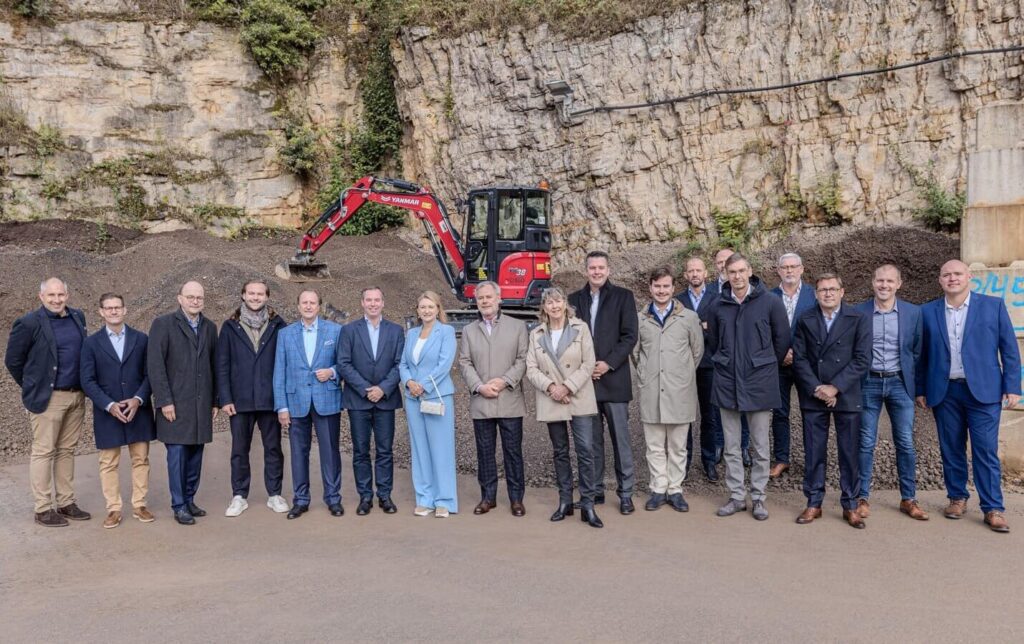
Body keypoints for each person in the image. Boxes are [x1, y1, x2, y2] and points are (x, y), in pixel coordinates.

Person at [916, 259, 1021, 533]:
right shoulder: (927, 312)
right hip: (945, 390)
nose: (952, 278)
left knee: (985, 450)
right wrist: (920, 389)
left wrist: (1013, 386)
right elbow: (920, 356)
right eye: (947, 274)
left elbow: (1009, 349)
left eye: (958, 274)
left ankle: (993, 507)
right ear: (940, 280)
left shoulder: (992, 305)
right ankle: (957, 498)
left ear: (969, 277)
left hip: (984, 391)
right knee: (950, 448)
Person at [707, 254, 789, 521]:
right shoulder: (718, 304)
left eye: (742, 271)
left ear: (750, 271)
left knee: (760, 446)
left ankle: (758, 498)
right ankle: (736, 496)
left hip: (760, 383)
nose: (737, 276)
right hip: (727, 383)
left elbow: (782, 340)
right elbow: (714, 342)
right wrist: (726, 362)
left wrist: (763, 365)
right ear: (725, 274)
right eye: (732, 272)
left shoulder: (770, 302)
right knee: (731, 446)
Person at [5, 278, 91, 527]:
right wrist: (35, 386)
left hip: (76, 396)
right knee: (44, 451)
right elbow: (13, 361)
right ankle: (43, 508)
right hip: (49, 398)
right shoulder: (29, 323)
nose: (56, 299)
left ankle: (66, 502)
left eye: (60, 294)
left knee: (66, 450)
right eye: (51, 295)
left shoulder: (78, 317)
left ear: (68, 294)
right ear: (41, 296)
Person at [792, 273, 872, 528]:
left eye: (832, 289)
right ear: (815, 293)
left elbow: (862, 359)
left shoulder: (858, 319)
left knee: (849, 453)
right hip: (814, 393)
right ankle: (814, 502)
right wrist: (817, 387)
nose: (827, 293)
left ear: (842, 291)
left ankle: (850, 504)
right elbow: (800, 358)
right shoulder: (805, 319)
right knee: (814, 452)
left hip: (846, 394)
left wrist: (835, 387)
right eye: (823, 289)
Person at [854, 265, 928, 521]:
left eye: (889, 281)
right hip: (868, 383)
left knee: (905, 442)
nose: (884, 285)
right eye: (879, 281)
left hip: (900, 383)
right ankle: (861, 497)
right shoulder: (858, 312)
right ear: (872, 283)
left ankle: (908, 498)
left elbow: (918, 353)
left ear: (899, 284)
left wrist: (918, 388)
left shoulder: (913, 313)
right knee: (865, 442)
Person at [568, 250, 639, 515]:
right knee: (590, 442)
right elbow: (569, 337)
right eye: (592, 268)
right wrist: (586, 368)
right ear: (585, 270)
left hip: (615, 379)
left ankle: (626, 494)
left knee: (621, 441)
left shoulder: (624, 297)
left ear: (608, 270)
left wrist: (607, 363)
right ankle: (595, 490)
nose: (596, 272)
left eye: (601, 267)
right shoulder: (574, 299)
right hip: (585, 383)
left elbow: (630, 336)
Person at [525, 287, 603, 528]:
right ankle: (565, 501)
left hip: (577, 396)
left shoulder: (580, 328)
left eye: (558, 301)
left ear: (564, 303)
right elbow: (531, 368)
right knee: (560, 451)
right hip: (552, 399)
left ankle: (587, 504)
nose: (554, 306)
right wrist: (551, 388)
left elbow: (589, 362)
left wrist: (567, 387)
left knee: (585, 451)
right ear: (544, 307)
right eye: (550, 303)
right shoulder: (536, 334)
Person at [79, 293, 156, 529]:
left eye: (117, 307)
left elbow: (150, 374)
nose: (113, 311)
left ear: (124, 310)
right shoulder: (91, 343)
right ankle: (113, 508)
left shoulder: (141, 339)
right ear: (101, 312)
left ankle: (139, 504)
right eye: (108, 308)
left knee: (141, 459)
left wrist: (138, 398)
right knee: (108, 462)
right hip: (107, 412)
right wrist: (109, 405)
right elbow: (87, 380)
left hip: (138, 410)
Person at [148, 280, 219, 526]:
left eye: (199, 297)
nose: (195, 301)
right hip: (175, 405)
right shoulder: (163, 325)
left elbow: (214, 366)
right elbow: (155, 366)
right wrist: (164, 401)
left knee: (196, 455)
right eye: (190, 297)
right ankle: (178, 505)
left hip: (200, 405)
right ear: (179, 298)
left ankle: (189, 499)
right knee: (177, 456)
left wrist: (215, 401)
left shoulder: (210, 327)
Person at [216, 279, 288, 518]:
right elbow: (222, 365)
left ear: (267, 297)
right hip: (240, 400)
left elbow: (286, 363)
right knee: (239, 450)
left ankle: (275, 494)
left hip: (270, 400)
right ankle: (239, 495)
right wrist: (225, 398)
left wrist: (284, 399)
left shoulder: (279, 326)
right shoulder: (229, 327)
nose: (256, 297)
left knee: (274, 449)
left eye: (260, 294)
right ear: (243, 296)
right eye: (251, 293)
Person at [634, 267, 703, 512]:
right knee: (653, 446)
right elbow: (636, 353)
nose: (661, 291)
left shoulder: (689, 318)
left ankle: (675, 489)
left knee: (677, 446)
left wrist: (680, 375)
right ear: (650, 288)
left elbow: (697, 353)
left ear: (673, 288)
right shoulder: (640, 319)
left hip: (680, 392)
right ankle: (658, 488)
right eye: (657, 286)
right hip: (651, 390)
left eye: (666, 286)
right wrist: (646, 374)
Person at [458, 281, 529, 517]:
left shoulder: (517, 327)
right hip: (482, 401)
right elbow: (465, 362)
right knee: (485, 452)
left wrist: (504, 381)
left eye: (489, 297)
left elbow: (522, 359)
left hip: (509, 399)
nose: (485, 302)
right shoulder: (469, 331)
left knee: (513, 452)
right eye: (481, 299)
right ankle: (488, 497)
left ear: (499, 299)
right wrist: (479, 386)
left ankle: (516, 499)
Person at [273, 289, 344, 520]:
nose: (308, 306)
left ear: (319, 306)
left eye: (313, 302)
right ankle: (301, 499)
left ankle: (333, 498)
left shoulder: (335, 331)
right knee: (298, 453)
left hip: (327, 399)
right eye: (304, 302)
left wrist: (332, 371)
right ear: (298, 306)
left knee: (330, 452)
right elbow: (279, 372)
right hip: (296, 402)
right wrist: (281, 406)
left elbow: (345, 363)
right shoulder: (286, 334)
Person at [337, 287, 404, 516]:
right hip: (359, 400)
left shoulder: (395, 331)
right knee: (361, 451)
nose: (373, 304)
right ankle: (365, 496)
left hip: (385, 400)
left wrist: (383, 388)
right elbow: (344, 364)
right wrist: (367, 390)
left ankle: (384, 495)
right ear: (362, 303)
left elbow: (399, 364)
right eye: (369, 300)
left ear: (383, 303)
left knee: (385, 450)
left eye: (377, 300)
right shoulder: (349, 331)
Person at [400, 291, 458, 517]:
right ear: (417, 310)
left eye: (430, 306)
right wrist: (409, 383)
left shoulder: (446, 332)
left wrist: (423, 385)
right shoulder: (412, 333)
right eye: (422, 307)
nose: (426, 311)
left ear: (438, 308)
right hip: (414, 399)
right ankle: (425, 498)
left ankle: (445, 500)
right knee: (420, 449)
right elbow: (403, 363)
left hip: (436, 396)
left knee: (441, 450)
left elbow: (444, 365)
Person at [768, 252, 817, 478]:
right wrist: (781, 354)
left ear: (802, 269)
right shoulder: (769, 297)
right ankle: (781, 459)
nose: (789, 271)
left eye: (793, 267)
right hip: (778, 365)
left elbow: (819, 329)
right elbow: (764, 331)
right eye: (784, 267)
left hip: (806, 363)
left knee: (810, 411)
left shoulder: (814, 295)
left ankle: (812, 460)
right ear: (778, 270)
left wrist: (796, 352)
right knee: (779, 413)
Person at [676, 256, 723, 481]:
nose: (695, 274)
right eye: (690, 271)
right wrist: (702, 327)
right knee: (684, 416)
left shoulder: (718, 298)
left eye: (698, 270)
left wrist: (702, 328)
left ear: (706, 274)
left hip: (709, 364)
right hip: (683, 366)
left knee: (710, 416)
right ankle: (683, 463)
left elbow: (721, 330)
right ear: (685, 275)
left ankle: (709, 461)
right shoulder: (677, 301)